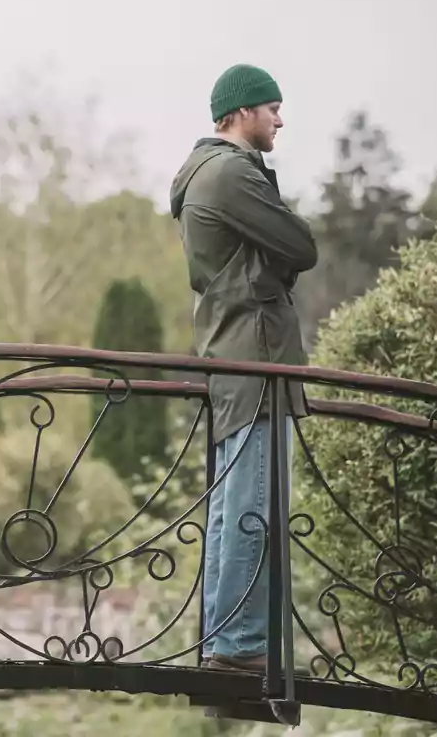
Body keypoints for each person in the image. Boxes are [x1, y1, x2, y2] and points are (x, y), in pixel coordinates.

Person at [168, 64, 318, 672]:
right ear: (242, 112)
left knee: (234, 507)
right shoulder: (230, 173)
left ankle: (222, 644)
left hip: (235, 353)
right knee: (252, 508)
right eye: (273, 108)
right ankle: (239, 648)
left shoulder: (209, 174)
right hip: (256, 358)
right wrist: (279, 256)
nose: (280, 119)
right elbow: (302, 248)